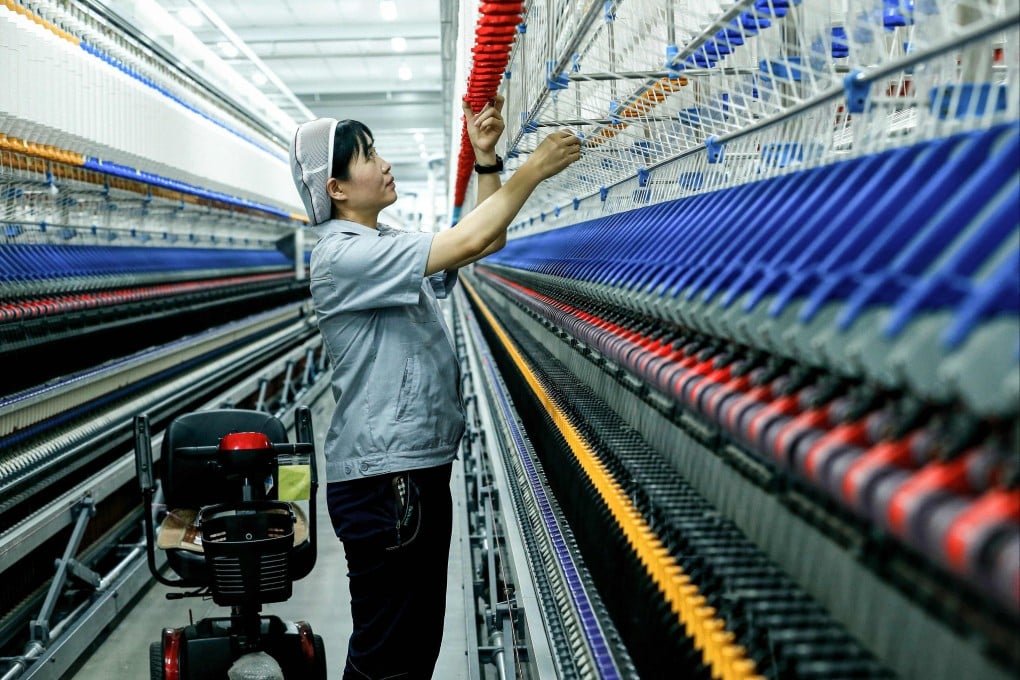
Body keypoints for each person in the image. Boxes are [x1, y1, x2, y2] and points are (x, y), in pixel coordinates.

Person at [288, 96, 581, 680]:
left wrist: (489, 160)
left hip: (406, 473)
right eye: (369, 156)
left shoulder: (380, 241)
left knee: (412, 646)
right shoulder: (343, 255)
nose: (385, 164)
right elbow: (469, 242)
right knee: (390, 655)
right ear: (337, 188)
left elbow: (483, 239)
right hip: (385, 483)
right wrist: (531, 171)